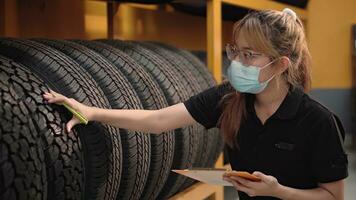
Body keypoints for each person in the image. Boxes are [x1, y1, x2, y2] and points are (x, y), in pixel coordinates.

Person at [43, 8, 348, 200]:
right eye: (236, 51)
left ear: (281, 65)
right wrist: (91, 111)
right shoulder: (230, 99)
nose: (238, 62)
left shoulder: (318, 121)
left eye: (250, 55)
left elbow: (333, 196)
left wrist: (277, 192)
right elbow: (159, 120)